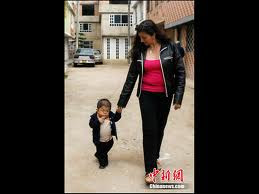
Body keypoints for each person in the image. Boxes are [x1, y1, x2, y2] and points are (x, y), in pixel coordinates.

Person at [116, 20, 186, 184]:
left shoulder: (171, 48)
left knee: (159, 129)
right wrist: (121, 102)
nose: (142, 40)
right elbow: (131, 78)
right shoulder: (140, 51)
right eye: (140, 37)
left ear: (153, 34)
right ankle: (150, 169)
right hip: (146, 95)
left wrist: (178, 98)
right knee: (149, 131)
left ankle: (154, 157)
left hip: (165, 96)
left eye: (144, 37)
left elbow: (180, 73)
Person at [89, 98, 122, 169]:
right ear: (97, 110)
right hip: (99, 141)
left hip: (109, 139)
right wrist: (98, 121)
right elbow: (91, 125)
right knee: (103, 153)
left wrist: (118, 112)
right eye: (102, 110)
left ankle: (98, 154)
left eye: (107, 111)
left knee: (107, 147)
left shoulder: (110, 115)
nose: (105, 112)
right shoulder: (94, 117)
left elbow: (116, 118)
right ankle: (103, 163)